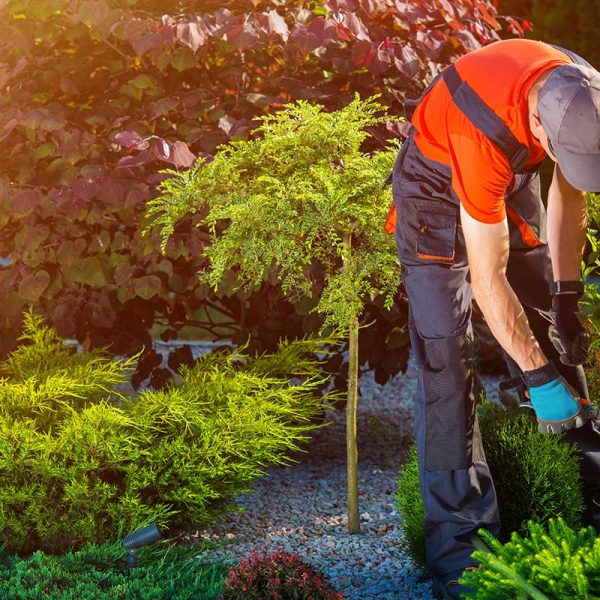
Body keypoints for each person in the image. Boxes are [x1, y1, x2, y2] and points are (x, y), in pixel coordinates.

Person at [384, 38, 600, 599]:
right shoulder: (480, 134)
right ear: (536, 123)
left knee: (547, 330)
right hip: (434, 189)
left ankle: (585, 502)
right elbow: (487, 278)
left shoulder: (582, 95)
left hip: (511, 172)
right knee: (446, 362)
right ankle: (462, 551)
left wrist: (566, 298)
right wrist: (536, 377)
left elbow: (569, 199)